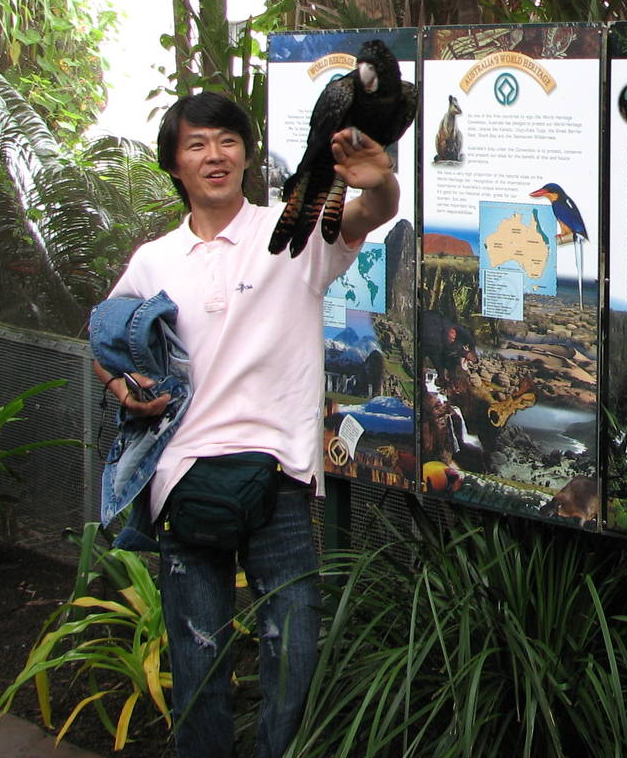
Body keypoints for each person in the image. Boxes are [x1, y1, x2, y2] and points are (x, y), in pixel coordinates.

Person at [92, 91, 399, 758]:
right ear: (174, 162)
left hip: (281, 476)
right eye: (197, 144)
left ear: (247, 153)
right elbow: (106, 343)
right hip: (183, 478)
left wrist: (382, 184)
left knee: (295, 655)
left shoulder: (287, 234)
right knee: (197, 658)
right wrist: (126, 388)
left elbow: (367, 215)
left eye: (227, 141)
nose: (215, 155)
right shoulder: (153, 260)